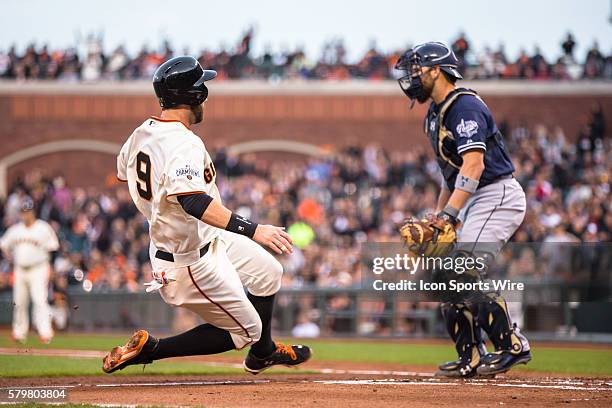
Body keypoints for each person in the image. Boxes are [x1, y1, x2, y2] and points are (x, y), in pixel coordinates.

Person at [102, 56, 311, 374]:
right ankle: (152, 350)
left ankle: (263, 354)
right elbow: (193, 202)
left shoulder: (142, 132)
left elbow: (122, 173)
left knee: (269, 272)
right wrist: (254, 229)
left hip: (202, 238)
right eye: (202, 86)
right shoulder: (184, 142)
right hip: (187, 261)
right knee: (247, 331)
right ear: (194, 96)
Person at [394, 42, 531, 377]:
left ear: (436, 70)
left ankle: (512, 344)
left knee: (462, 268)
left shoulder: (463, 106)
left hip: (495, 193)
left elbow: (474, 165)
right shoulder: (434, 113)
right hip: (469, 197)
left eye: (417, 69)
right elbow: (451, 175)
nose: (412, 77)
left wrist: (450, 216)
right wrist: (438, 216)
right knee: (444, 275)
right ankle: (469, 356)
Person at [0, 197, 59, 344]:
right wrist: (8, 260)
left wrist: (51, 267)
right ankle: (19, 333)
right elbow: (4, 246)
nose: (25, 214)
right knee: (19, 302)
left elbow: (54, 248)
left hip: (39, 268)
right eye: (23, 212)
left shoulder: (43, 227)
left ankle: (45, 332)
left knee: (40, 300)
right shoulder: (15, 230)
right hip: (20, 269)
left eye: (28, 211)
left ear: (33, 212)